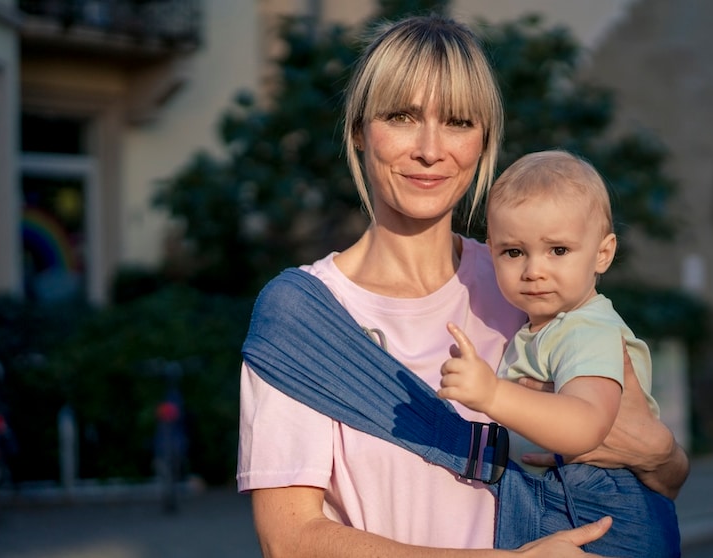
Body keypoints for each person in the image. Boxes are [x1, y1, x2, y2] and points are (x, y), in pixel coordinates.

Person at [237, 15, 689, 558]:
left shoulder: (531, 284)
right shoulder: (302, 316)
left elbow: (658, 473)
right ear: (359, 129)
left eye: (457, 121)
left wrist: (662, 455)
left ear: (483, 141)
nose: (430, 149)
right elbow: (290, 540)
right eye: (402, 116)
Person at [439, 150, 680, 555]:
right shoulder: (545, 326)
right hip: (560, 493)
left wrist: (492, 394)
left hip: (598, 504)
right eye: (514, 252)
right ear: (491, 249)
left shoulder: (587, 329)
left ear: (602, 254)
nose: (534, 270)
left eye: (558, 251)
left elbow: (584, 426)